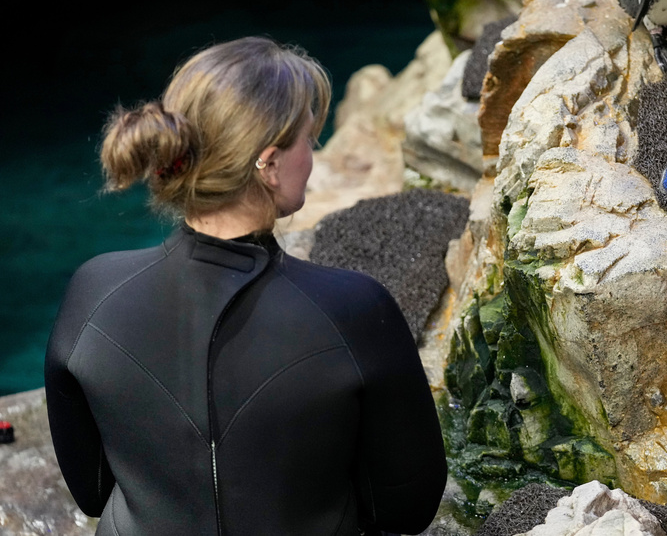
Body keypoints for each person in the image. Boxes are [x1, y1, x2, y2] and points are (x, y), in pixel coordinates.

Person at [44, 37, 448, 536]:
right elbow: (406, 509)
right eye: (309, 139)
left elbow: (91, 490)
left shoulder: (93, 292)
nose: (313, 155)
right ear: (270, 163)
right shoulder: (354, 308)